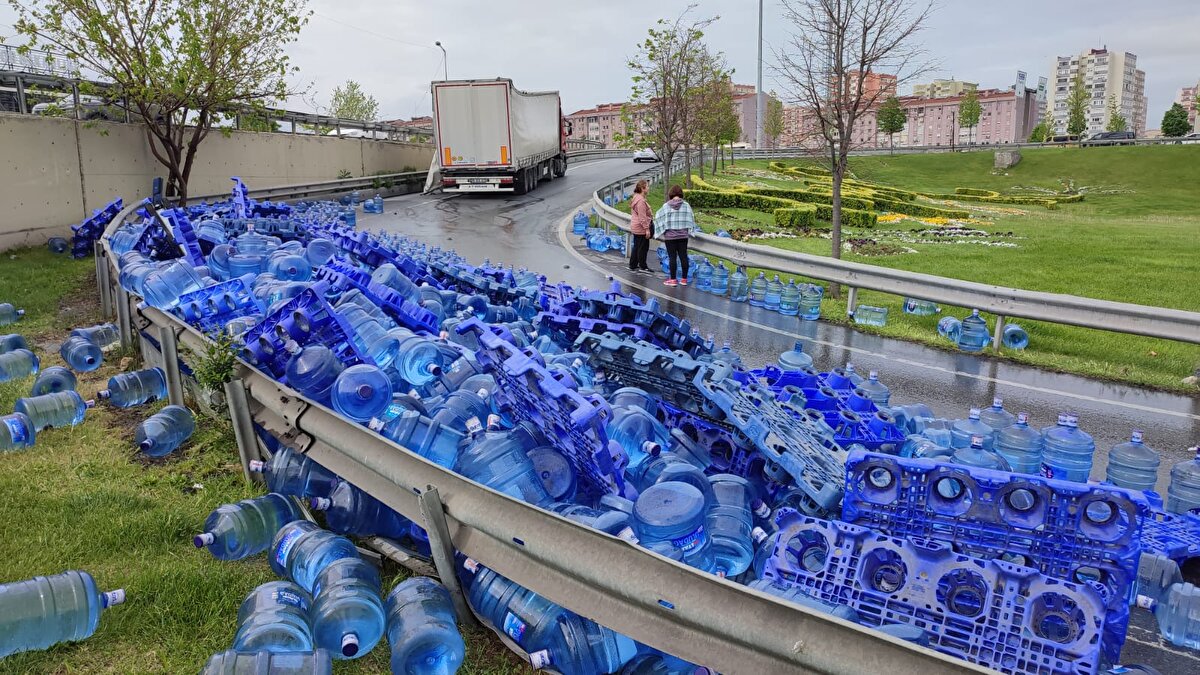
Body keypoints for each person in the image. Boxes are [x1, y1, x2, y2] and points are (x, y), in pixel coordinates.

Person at [653, 184, 696, 287]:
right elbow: (691, 218)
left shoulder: (666, 206)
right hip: (683, 237)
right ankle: (684, 280)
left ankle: (672, 280)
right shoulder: (686, 205)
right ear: (681, 194)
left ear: (671, 194)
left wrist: (661, 230)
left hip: (670, 237)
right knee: (683, 257)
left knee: (672, 257)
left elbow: (658, 217)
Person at [627, 180, 652, 274]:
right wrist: (647, 229)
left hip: (635, 225)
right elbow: (642, 217)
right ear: (642, 188)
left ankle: (633, 264)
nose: (648, 188)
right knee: (643, 247)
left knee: (637, 246)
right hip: (640, 226)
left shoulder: (636, 197)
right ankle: (643, 266)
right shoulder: (641, 201)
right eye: (647, 186)